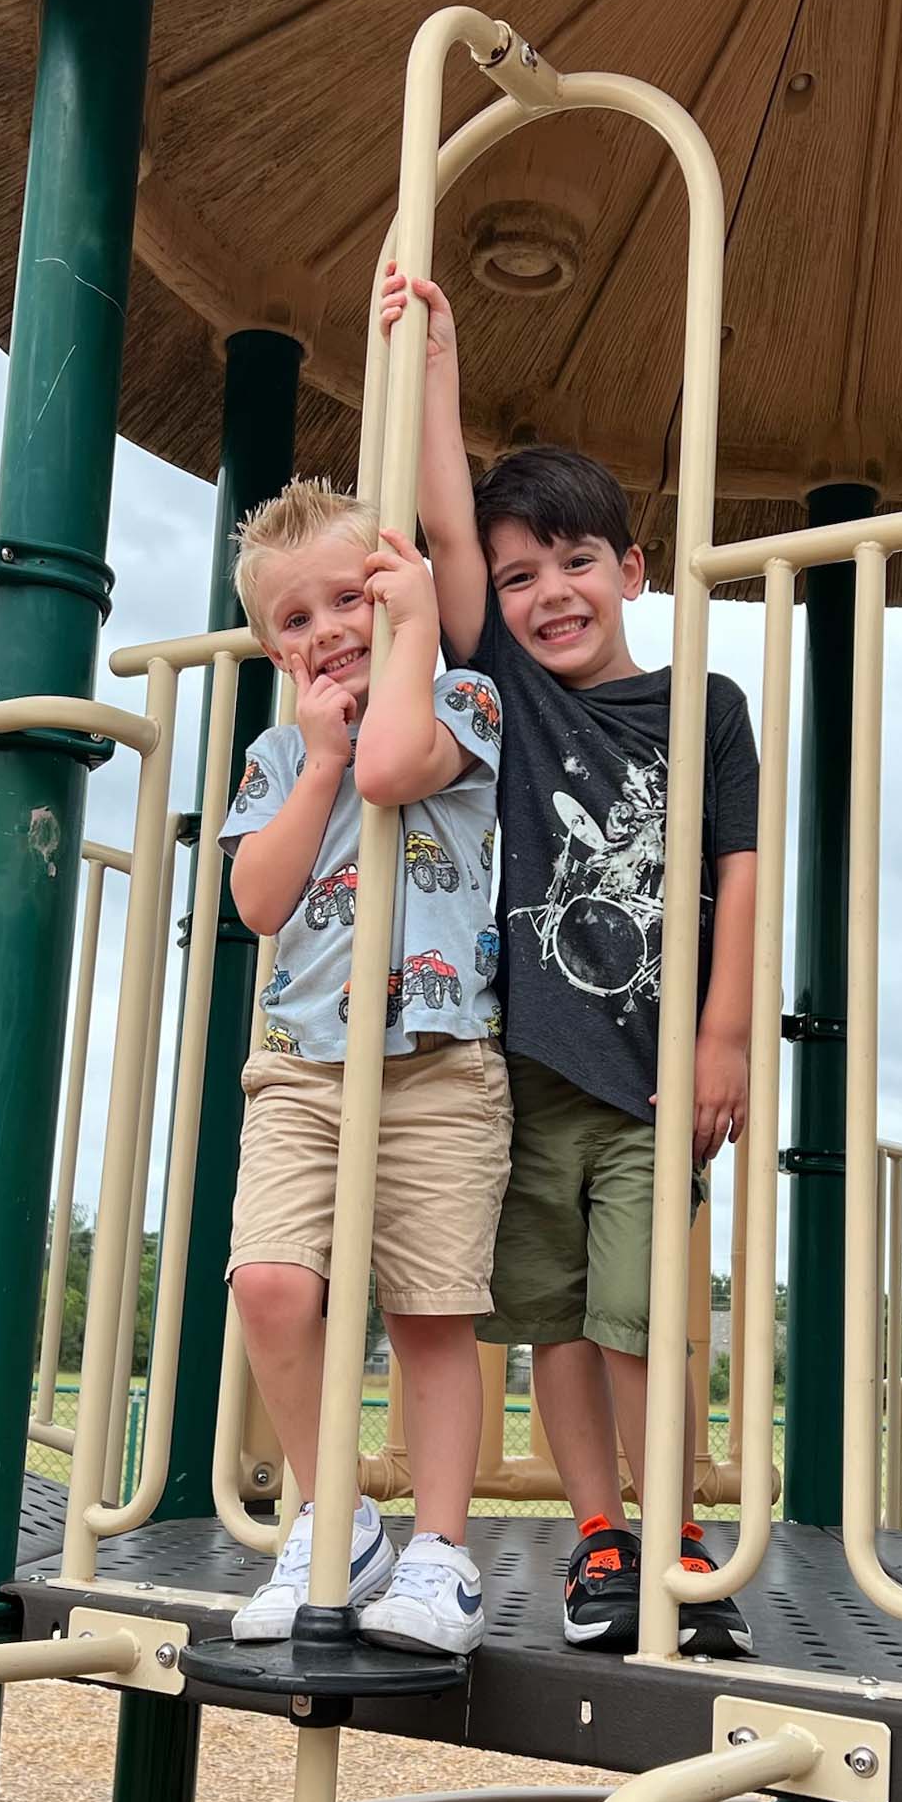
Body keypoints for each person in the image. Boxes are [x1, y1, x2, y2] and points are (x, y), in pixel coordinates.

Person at [380, 267, 759, 1657]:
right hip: (525, 1070)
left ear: (634, 570)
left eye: (576, 564)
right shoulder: (515, 698)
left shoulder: (704, 704)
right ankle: (601, 1533)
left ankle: (671, 1538)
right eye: (522, 573)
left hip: (658, 1079)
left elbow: (737, 874)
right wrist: (437, 369)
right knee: (554, 1321)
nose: (547, 596)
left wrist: (726, 1035)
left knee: (642, 1317)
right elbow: (441, 527)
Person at [218, 478, 511, 1656]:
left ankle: (438, 1554)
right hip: (302, 1068)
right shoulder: (281, 751)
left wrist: (418, 629)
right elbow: (257, 900)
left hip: (438, 1063)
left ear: (399, 594)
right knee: (270, 1286)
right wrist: (317, 766)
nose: (328, 630)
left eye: (352, 598)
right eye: (297, 620)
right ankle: (332, 1520)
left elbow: (400, 763)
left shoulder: (464, 697)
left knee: (431, 1315)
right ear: (268, 645)